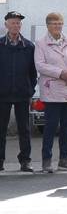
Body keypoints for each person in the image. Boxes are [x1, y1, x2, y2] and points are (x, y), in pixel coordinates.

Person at [34, 12, 67, 173]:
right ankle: (46, 160)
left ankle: (64, 159)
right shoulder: (41, 43)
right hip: (52, 92)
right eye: (54, 23)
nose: (58, 26)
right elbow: (40, 65)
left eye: (60, 23)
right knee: (50, 127)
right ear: (48, 25)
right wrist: (61, 73)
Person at [0, 11, 36, 172]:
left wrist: (30, 90)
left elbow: (33, 72)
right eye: (13, 23)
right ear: (6, 25)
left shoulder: (28, 46)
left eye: (18, 23)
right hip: (2, 94)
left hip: (22, 94)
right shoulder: (0, 44)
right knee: (1, 129)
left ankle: (25, 161)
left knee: (24, 129)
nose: (16, 25)